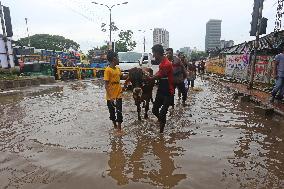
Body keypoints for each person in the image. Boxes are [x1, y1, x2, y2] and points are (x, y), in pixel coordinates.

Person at [150, 44, 174, 133]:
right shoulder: (162, 63)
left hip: (168, 91)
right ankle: (162, 121)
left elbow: (160, 75)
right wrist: (152, 76)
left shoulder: (166, 64)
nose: (153, 56)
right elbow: (158, 73)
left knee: (163, 112)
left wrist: (150, 78)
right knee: (154, 110)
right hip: (161, 89)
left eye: (153, 53)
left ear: (157, 53)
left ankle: (161, 134)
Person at [104, 50, 124, 133]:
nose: (119, 60)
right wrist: (111, 97)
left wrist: (132, 74)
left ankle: (119, 129)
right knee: (112, 113)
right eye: (118, 58)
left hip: (119, 94)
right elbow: (106, 85)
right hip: (111, 96)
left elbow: (123, 77)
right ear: (114, 59)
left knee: (119, 111)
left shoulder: (118, 69)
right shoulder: (108, 70)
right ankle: (115, 126)